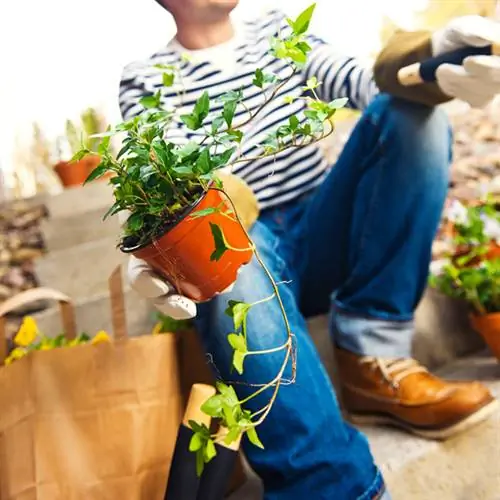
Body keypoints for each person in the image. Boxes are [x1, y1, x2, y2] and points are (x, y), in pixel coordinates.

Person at [119, 2, 500, 498]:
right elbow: (166, 171)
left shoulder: (279, 32)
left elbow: (367, 82)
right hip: (245, 242)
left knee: (408, 113)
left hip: (325, 230)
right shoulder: (148, 77)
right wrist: (165, 242)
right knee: (217, 245)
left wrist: (429, 61)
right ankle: (330, 484)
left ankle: (373, 356)